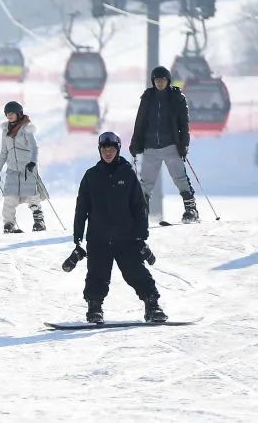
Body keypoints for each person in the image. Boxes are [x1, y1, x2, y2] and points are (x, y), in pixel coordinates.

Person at [73, 131, 167, 324]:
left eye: (112, 148)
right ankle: (94, 307)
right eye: (104, 148)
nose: (108, 152)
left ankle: (152, 305)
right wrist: (78, 239)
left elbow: (139, 207)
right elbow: (81, 208)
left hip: (127, 238)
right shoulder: (91, 176)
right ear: (99, 151)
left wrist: (141, 237)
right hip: (98, 238)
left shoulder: (128, 174)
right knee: (97, 275)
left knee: (137, 273)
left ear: (118, 149)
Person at [128, 66, 198, 223]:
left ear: (168, 81)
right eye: (157, 80)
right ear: (153, 81)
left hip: (171, 145)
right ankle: (141, 214)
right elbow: (139, 122)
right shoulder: (147, 97)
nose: (160, 83)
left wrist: (184, 144)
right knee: (146, 183)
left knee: (180, 178)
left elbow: (184, 125)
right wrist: (135, 143)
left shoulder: (177, 97)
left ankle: (191, 210)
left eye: (163, 80)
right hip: (150, 146)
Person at [0, 101, 45, 233]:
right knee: (9, 198)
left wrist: (32, 162)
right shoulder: (5, 131)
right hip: (12, 170)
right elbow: (4, 152)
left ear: (18, 113)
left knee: (31, 195)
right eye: (7, 113)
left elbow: (34, 147)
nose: (9, 116)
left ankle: (39, 222)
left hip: (27, 169)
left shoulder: (26, 128)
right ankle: (9, 224)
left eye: (12, 113)